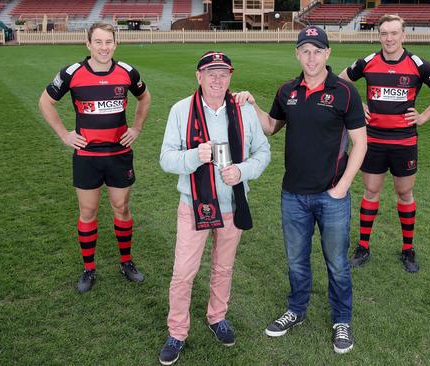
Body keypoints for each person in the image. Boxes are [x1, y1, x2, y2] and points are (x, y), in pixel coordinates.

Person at [243, 26, 367, 354]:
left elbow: (360, 143)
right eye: (305, 51)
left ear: (327, 54)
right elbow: (270, 127)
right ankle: (296, 310)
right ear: (297, 54)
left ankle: (342, 320)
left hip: (331, 196)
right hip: (293, 195)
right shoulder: (288, 91)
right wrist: (254, 104)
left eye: (317, 51)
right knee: (297, 261)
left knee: (337, 263)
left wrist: (342, 187)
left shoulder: (345, 91)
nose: (311, 57)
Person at [158, 51, 270, 365]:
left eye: (223, 74)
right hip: (193, 205)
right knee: (183, 273)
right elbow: (166, 159)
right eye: (211, 73)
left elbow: (263, 151)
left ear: (230, 76)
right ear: (199, 76)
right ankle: (177, 332)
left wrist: (243, 171)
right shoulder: (182, 110)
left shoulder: (244, 109)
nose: (217, 80)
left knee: (223, 268)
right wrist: (194, 155)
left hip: (233, 204)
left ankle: (217, 317)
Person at [38, 22, 151, 293]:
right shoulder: (71, 73)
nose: (104, 47)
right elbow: (45, 102)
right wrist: (64, 134)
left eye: (108, 42)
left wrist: (136, 128)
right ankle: (89, 268)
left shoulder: (127, 73)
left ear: (115, 43)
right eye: (98, 42)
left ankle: (126, 263)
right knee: (88, 212)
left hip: (119, 155)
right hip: (87, 156)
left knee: (121, 208)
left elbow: (144, 99)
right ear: (88, 44)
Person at [339, 14, 430, 272]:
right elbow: (339, 81)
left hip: (404, 141)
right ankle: (363, 247)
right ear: (379, 36)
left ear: (404, 35)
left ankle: (407, 250)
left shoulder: (418, 64)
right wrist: (360, 105)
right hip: (374, 140)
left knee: (404, 193)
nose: (389, 38)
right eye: (384, 33)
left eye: (394, 33)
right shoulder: (367, 62)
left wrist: (423, 116)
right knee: (371, 192)